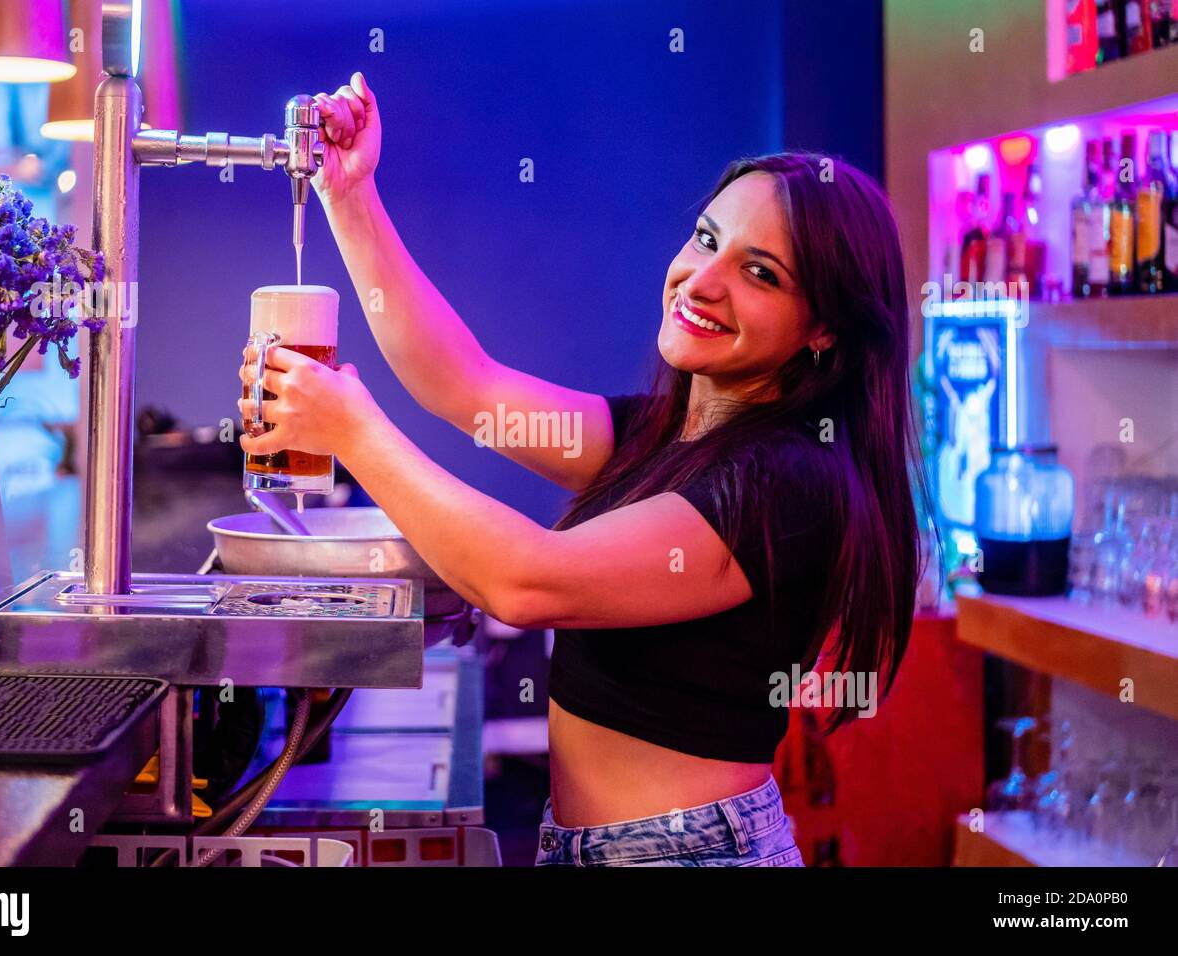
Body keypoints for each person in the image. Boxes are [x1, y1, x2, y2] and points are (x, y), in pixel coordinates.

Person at [239, 72, 927, 867]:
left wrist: (352, 431)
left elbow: (528, 582)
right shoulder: (661, 433)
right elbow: (464, 383)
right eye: (706, 239)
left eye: (760, 272)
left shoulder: (791, 482)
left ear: (824, 331)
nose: (703, 282)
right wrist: (349, 197)